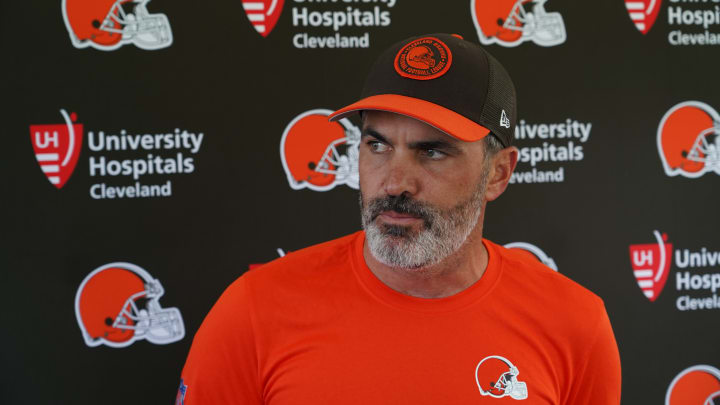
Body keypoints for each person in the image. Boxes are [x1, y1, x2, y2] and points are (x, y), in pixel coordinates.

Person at [177, 33, 622, 404]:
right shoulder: (254, 311)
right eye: (378, 145)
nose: (394, 182)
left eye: (432, 151)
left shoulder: (575, 324)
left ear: (499, 173)